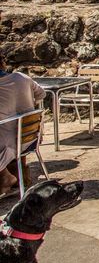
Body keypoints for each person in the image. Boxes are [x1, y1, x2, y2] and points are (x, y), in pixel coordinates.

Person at [0, 55, 45, 196]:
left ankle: (5, 177)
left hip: (7, 145)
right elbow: (41, 94)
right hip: (31, 138)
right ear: (3, 63)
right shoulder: (22, 78)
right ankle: (14, 177)